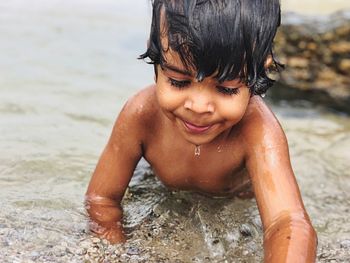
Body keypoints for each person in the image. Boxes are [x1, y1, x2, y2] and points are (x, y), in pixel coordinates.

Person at [85, 0, 317, 262]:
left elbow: (287, 222)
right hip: (159, 188)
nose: (198, 107)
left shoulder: (258, 132)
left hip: (233, 201)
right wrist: (115, 252)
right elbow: (102, 199)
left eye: (226, 89)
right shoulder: (141, 115)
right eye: (178, 81)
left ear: (257, 73)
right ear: (157, 62)